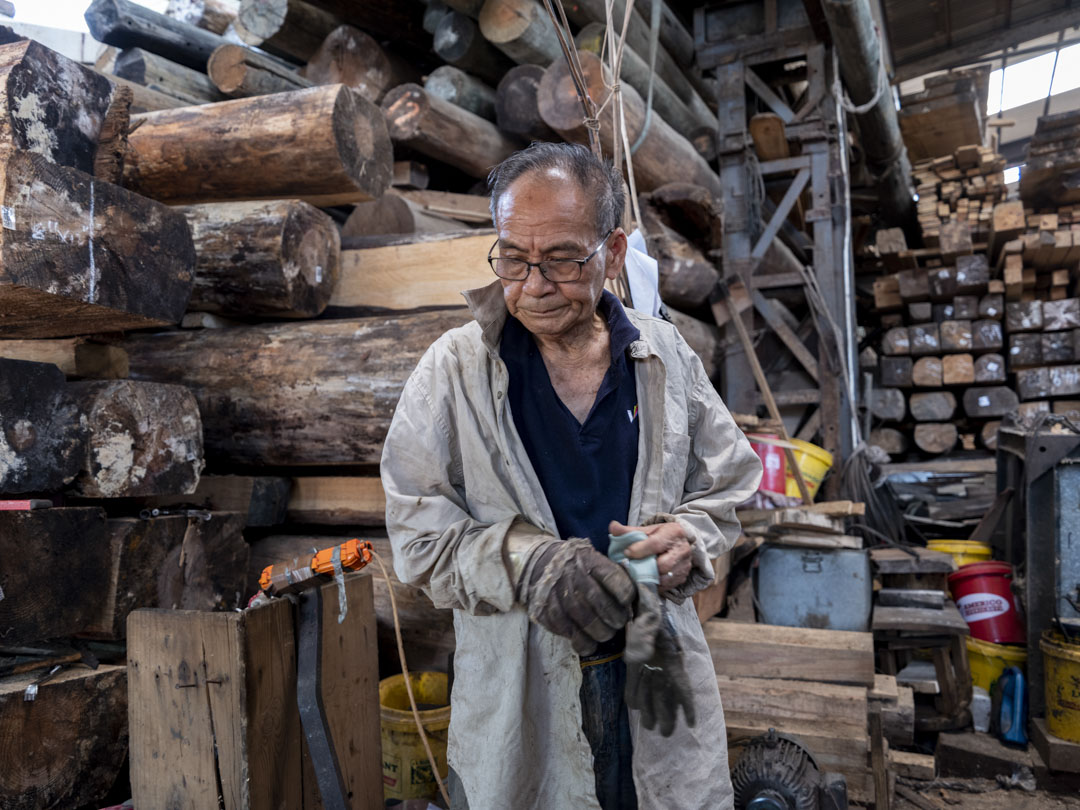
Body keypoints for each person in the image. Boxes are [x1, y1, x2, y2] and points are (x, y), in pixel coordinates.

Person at [381, 142, 762, 810]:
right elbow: (417, 537)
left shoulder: (662, 354)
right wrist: (529, 564)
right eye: (511, 258)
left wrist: (688, 537)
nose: (532, 284)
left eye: (560, 258)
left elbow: (730, 482)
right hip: (521, 683)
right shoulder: (453, 371)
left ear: (612, 253)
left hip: (653, 664)